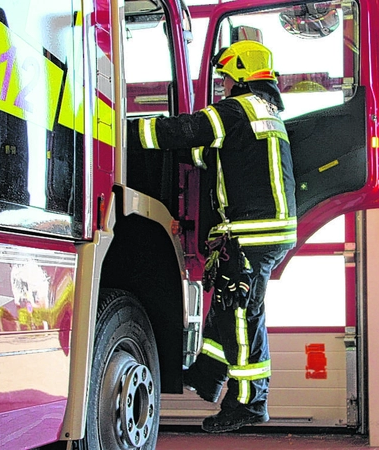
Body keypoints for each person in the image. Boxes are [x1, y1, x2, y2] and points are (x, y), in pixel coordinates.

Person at [126, 40, 297, 433]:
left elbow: (187, 130)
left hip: (252, 233)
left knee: (241, 315)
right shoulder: (265, 112)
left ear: (240, 75)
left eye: (225, 78)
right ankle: (207, 376)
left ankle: (250, 402)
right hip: (264, 232)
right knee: (226, 306)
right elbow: (214, 155)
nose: (222, 86)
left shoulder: (239, 109)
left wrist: (124, 131)